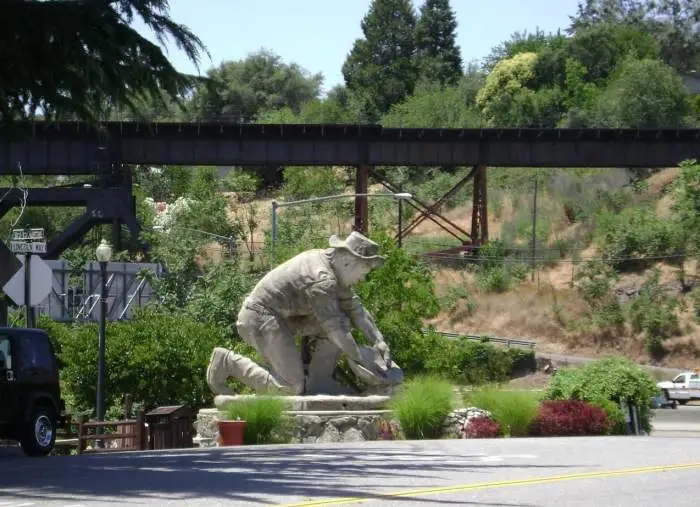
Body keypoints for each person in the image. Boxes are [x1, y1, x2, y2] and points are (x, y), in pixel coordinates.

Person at [206, 231, 402, 396]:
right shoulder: (321, 280)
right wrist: (363, 361)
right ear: (348, 262)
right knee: (291, 387)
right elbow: (336, 332)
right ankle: (227, 362)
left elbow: (355, 309)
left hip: (285, 319)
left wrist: (378, 340)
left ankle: (319, 383)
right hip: (259, 317)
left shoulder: (334, 268)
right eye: (364, 271)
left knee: (343, 318)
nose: (362, 278)